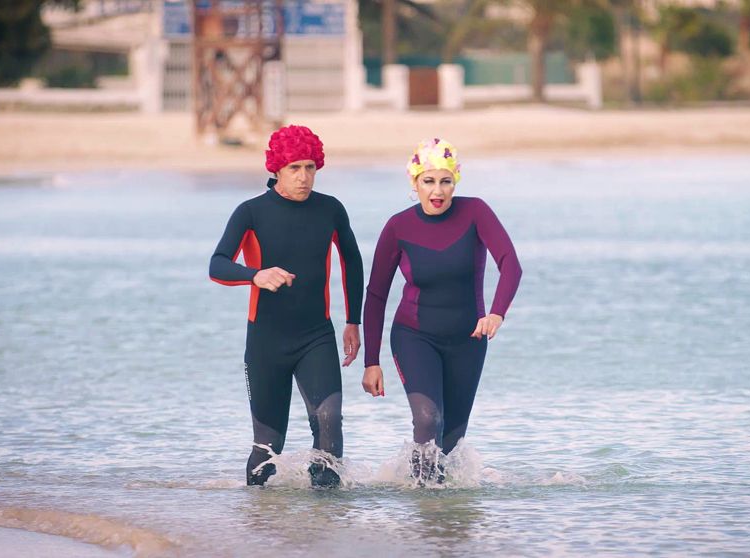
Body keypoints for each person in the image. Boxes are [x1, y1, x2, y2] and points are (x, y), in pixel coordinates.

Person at [209, 125, 364, 487]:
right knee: (268, 446)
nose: (304, 177)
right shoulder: (250, 213)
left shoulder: (330, 209)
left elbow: (352, 262)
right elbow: (217, 265)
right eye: (295, 168)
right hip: (266, 341)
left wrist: (353, 321)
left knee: (329, 425)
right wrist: (255, 275)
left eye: (310, 167)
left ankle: (325, 521)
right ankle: (260, 525)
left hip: (317, 337)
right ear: (277, 169)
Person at [361, 138, 522, 485]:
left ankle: (442, 525)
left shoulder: (476, 212)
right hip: (414, 336)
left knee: (451, 440)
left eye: (445, 181)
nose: (438, 190)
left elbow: (511, 264)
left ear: (455, 182)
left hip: (469, 339)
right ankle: (422, 496)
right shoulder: (398, 227)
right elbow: (376, 295)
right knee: (427, 418)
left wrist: (496, 313)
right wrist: (371, 361)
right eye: (429, 181)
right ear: (415, 183)